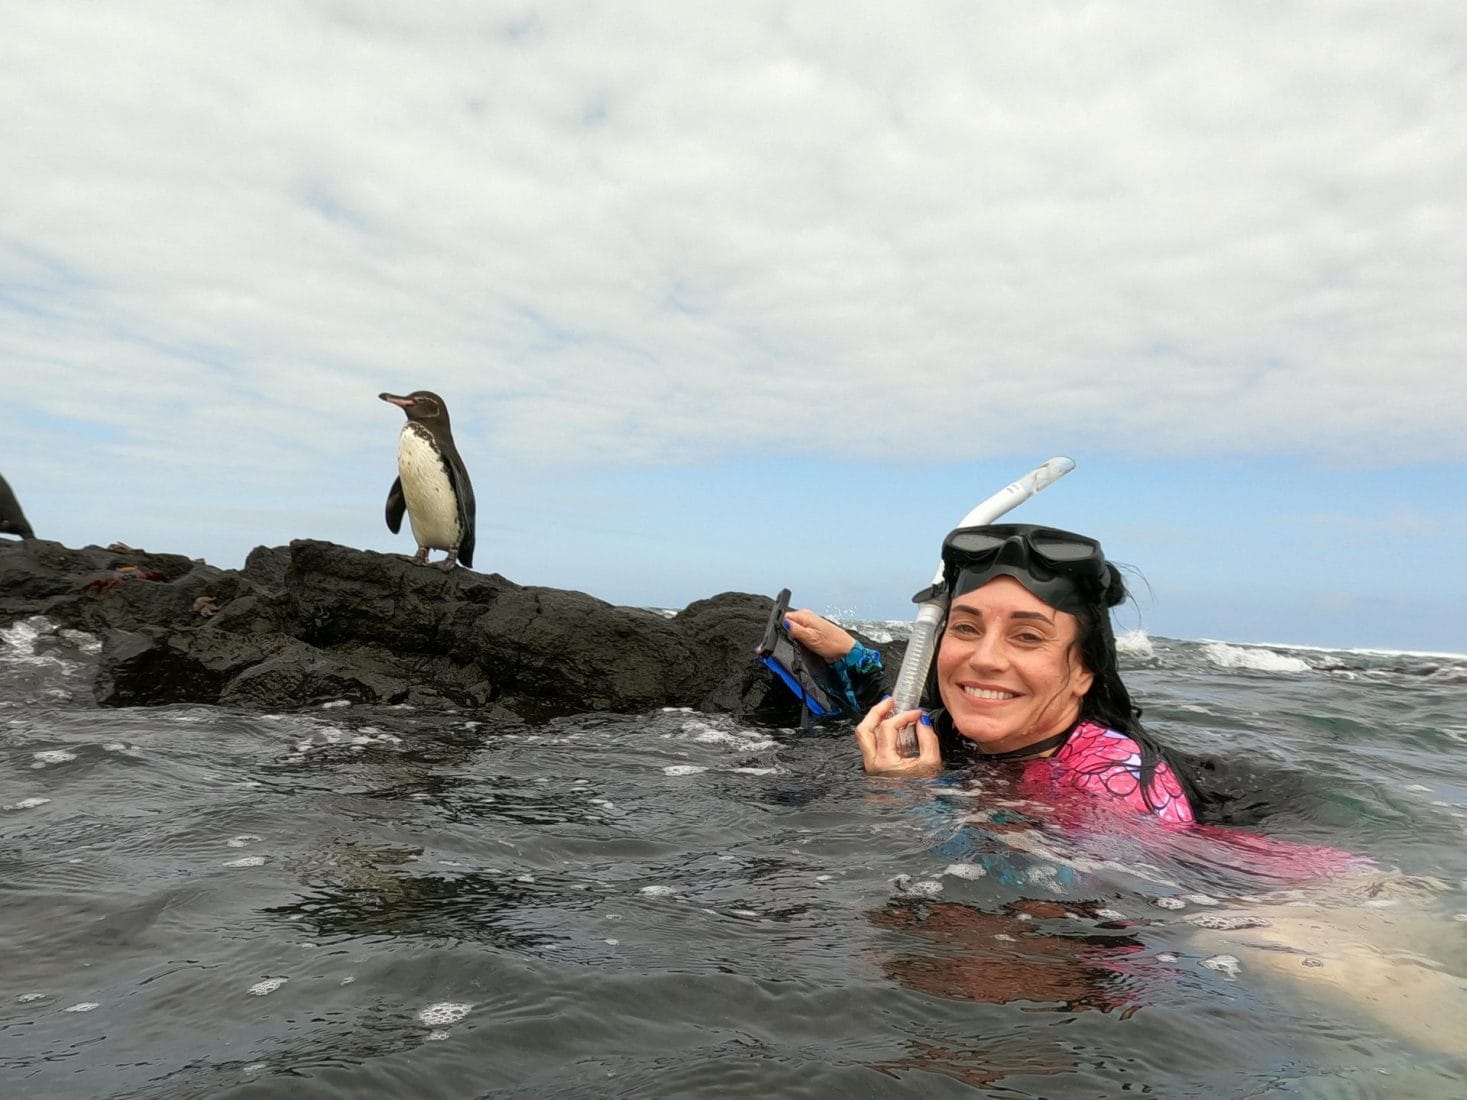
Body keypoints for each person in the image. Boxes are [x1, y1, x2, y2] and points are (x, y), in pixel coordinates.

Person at [784, 523, 1200, 823]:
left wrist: (909, 797)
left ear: (1084, 672)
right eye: (966, 627)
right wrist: (850, 655)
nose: (985, 659)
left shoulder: (1117, 787)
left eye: (1028, 636)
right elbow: (900, 700)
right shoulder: (963, 734)